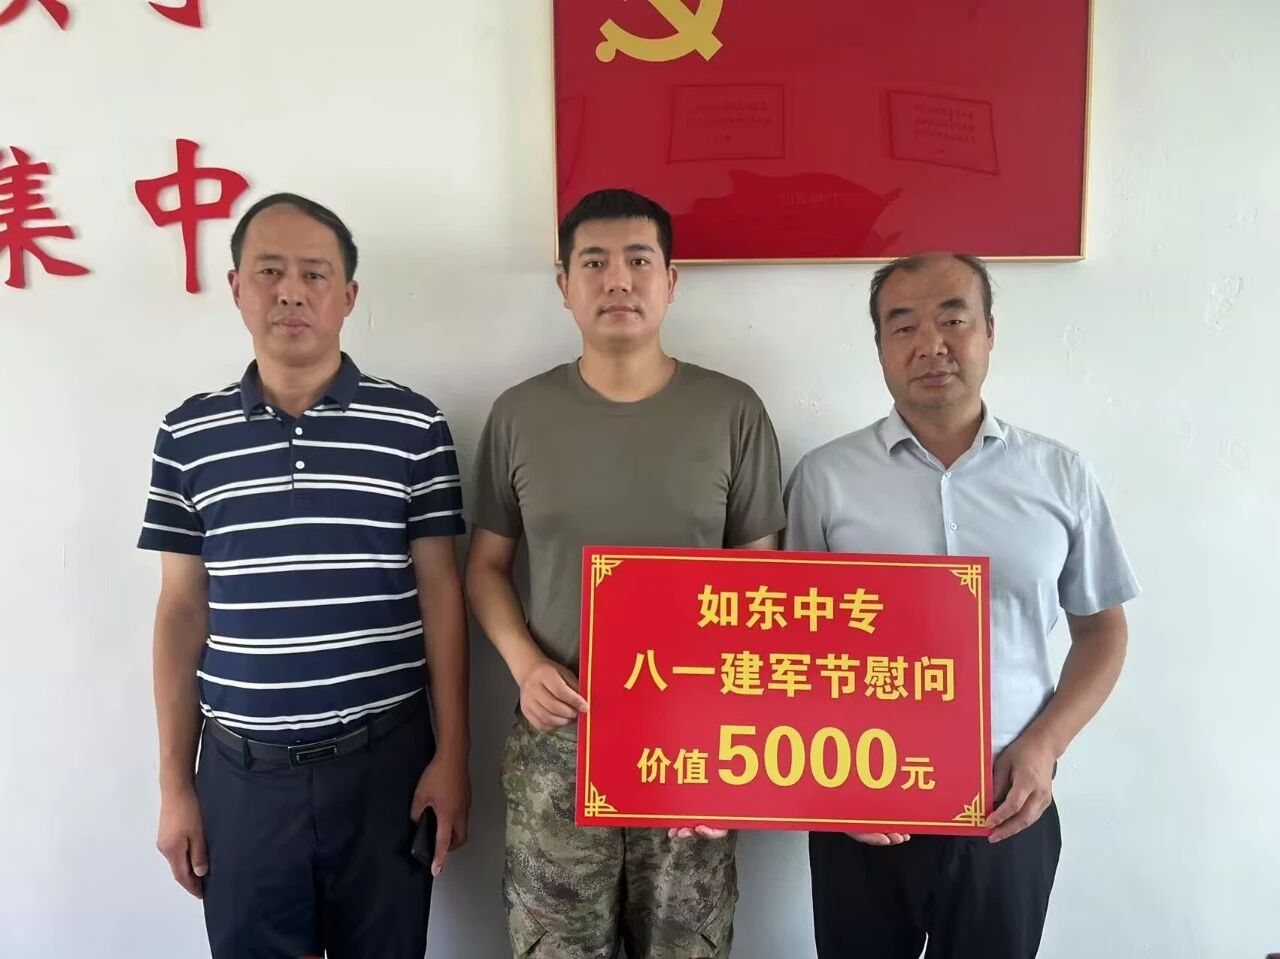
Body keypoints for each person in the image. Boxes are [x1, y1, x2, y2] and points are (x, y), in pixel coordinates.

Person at [139, 193, 469, 958]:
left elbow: (442, 594)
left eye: (314, 274)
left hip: (385, 770)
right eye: (270, 271)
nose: (291, 291)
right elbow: (181, 611)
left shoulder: (414, 428)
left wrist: (453, 754)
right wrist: (175, 785)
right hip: (241, 777)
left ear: (348, 296)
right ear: (236, 288)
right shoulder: (187, 435)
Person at [784, 253, 1139, 959]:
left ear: (989, 331)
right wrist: (831, 782)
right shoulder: (825, 478)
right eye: (903, 326)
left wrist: (1046, 746)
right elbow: (785, 644)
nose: (931, 344)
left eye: (953, 319)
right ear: (880, 347)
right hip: (865, 805)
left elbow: (1102, 631)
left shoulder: (1059, 475)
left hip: (1008, 804)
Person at [465, 188, 785, 958]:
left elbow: (762, 588)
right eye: (594, 263)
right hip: (560, 734)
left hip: (694, 736)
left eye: (639, 260)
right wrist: (525, 664)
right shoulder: (518, 415)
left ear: (670, 281)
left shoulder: (732, 411)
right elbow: (485, 567)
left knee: (686, 946)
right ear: (564, 285)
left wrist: (732, 747)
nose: (617, 280)